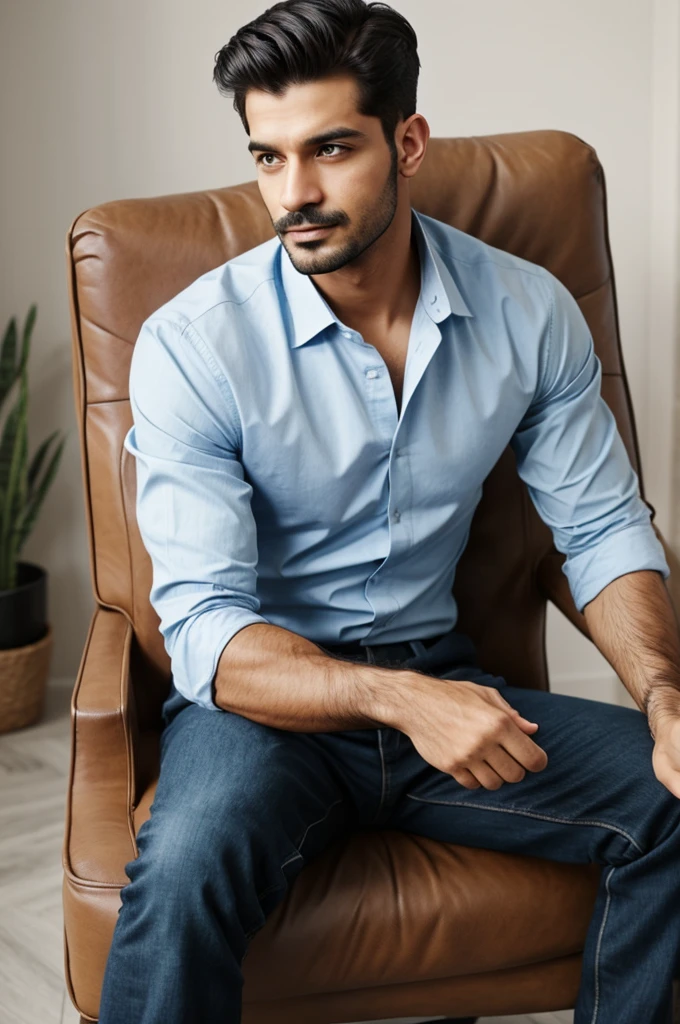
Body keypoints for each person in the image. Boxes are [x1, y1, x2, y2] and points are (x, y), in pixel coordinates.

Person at [97, 1, 680, 1022]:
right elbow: (205, 632)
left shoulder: (526, 310)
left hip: (442, 681)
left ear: (407, 142)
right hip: (265, 709)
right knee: (183, 865)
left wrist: (663, 695)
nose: (295, 193)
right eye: (267, 158)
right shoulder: (193, 345)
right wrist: (399, 702)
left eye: (328, 149)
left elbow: (597, 529)